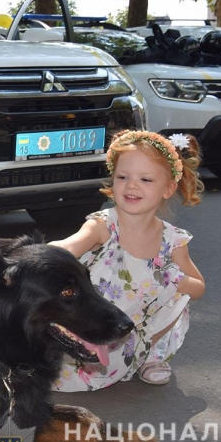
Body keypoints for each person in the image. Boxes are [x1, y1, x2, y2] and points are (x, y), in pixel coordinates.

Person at [49, 130, 206, 390]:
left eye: (145, 179)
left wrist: (171, 278)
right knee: (51, 375)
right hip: (91, 323)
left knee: (178, 294)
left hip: (135, 327)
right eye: (123, 177)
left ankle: (151, 357)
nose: (132, 185)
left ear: (168, 188)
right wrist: (39, 252)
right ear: (113, 181)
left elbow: (198, 288)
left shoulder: (172, 239)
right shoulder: (103, 225)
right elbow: (69, 246)